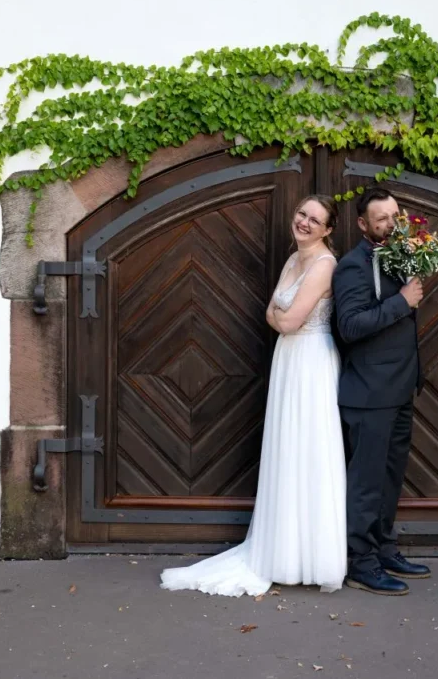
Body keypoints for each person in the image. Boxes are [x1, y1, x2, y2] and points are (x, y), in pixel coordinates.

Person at [159, 195, 346, 597]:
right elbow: (271, 314)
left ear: (329, 229)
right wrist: (282, 319)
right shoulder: (293, 259)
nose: (305, 223)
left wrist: (283, 319)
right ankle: (282, 551)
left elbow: (291, 319)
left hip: (312, 364)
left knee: (310, 451)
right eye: (302, 214)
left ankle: (313, 557)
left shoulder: (324, 265)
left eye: (315, 220)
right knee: (286, 450)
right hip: (289, 361)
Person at [331, 187, 431, 596]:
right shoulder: (352, 267)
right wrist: (403, 301)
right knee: (366, 484)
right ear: (362, 224)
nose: (392, 224)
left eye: (395, 216)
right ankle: (360, 562)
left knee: (390, 480)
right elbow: (350, 327)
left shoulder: (403, 254)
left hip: (400, 388)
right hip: (368, 393)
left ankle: (385, 548)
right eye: (382, 219)